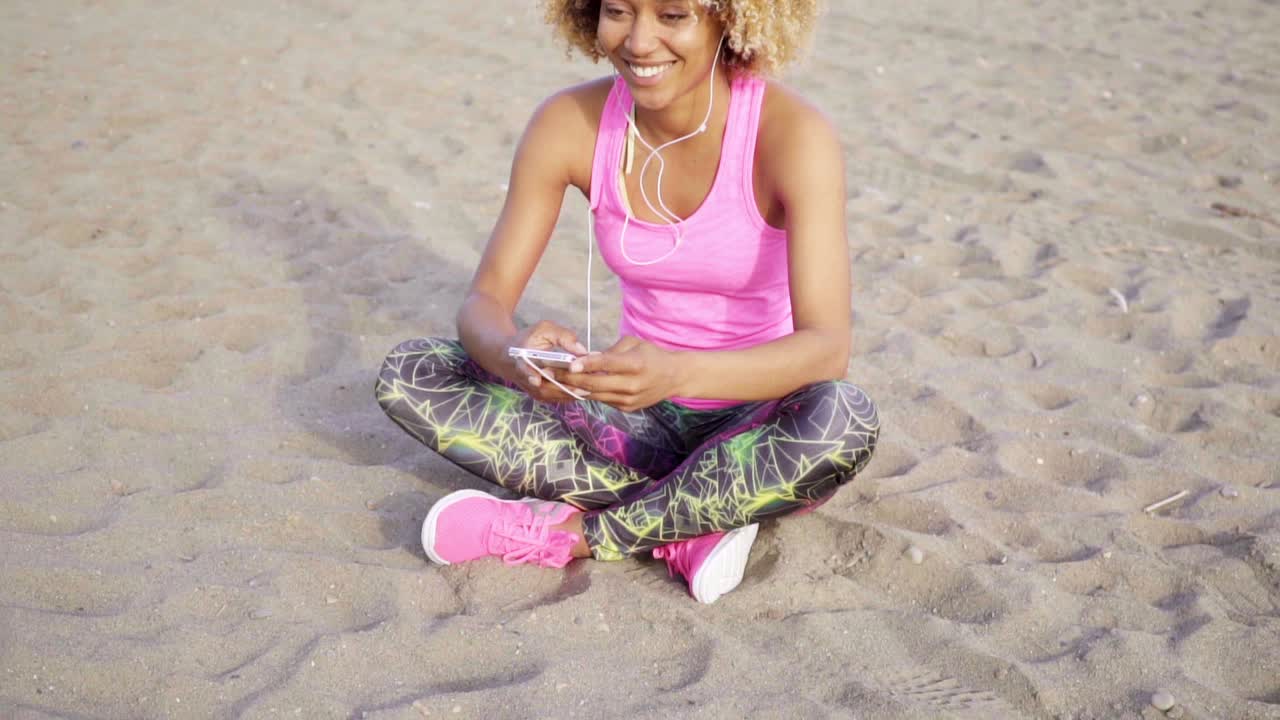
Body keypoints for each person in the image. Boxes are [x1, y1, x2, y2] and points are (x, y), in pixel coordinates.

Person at [376, 0, 879, 604]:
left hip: (759, 422)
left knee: (844, 418)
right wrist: (518, 358)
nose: (639, 41)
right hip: (630, 419)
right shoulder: (569, 123)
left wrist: (679, 371)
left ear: (733, 18)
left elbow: (828, 349)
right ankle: (689, 520)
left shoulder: (793, 134)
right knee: (415, 372)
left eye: (673, 15)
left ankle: (577, 533)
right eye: (618, 10)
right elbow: (484, 301)